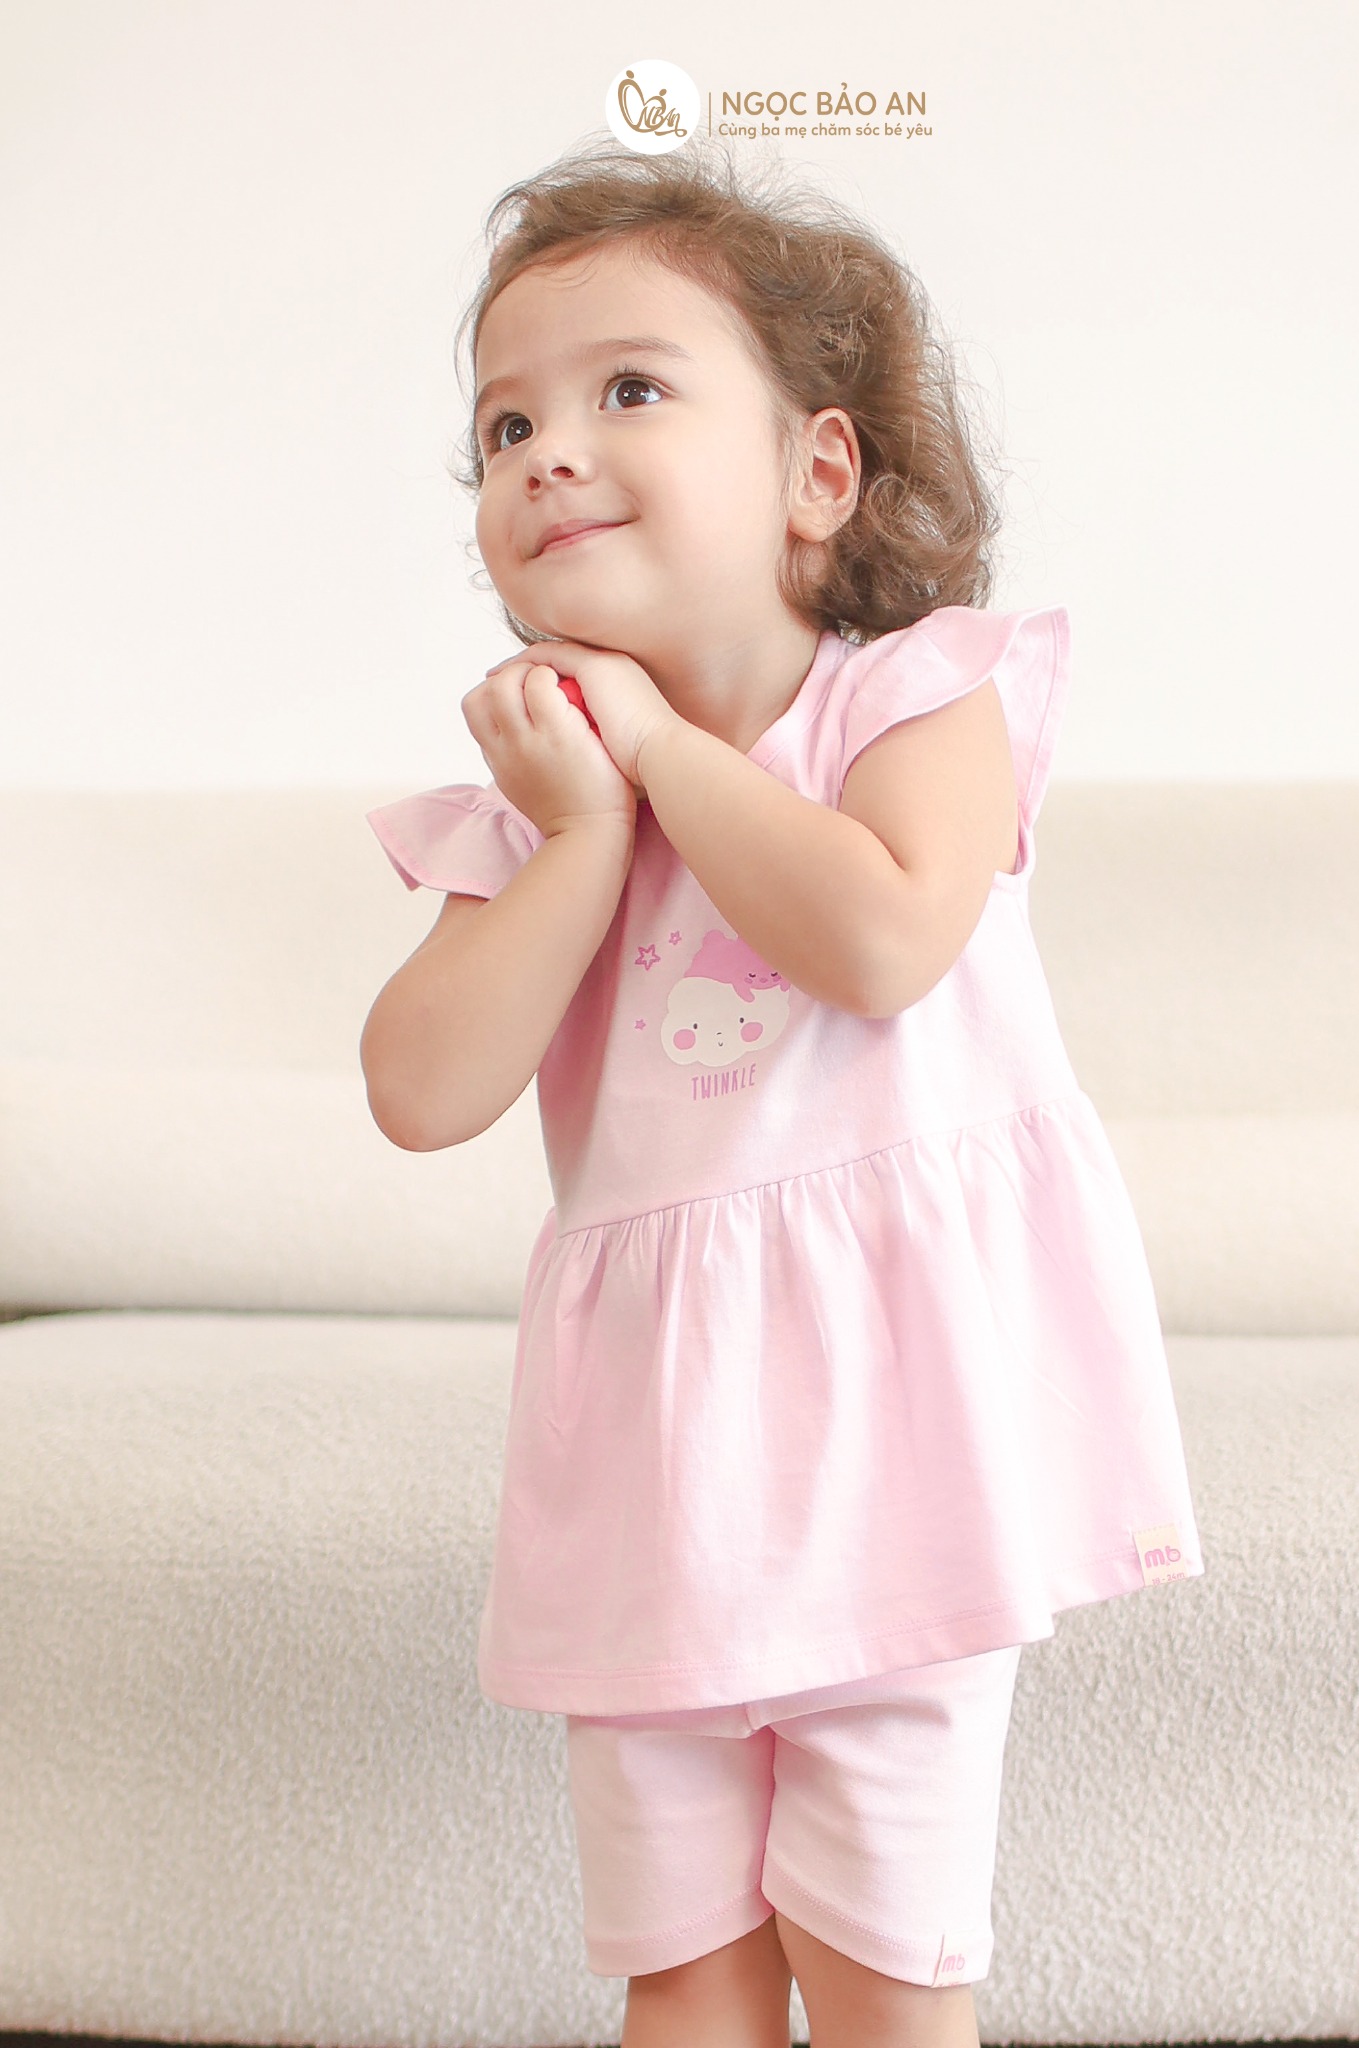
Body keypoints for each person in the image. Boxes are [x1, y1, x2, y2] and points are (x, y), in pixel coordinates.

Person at [360, 132, 1204, 2048]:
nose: (545, 454)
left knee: (886, 1966)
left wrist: (664, 752)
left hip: (894, 1448)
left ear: (818, 474)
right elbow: (418, 1089)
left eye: (627, 391)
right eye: (503, 427)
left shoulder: (911, 698)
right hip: (656, 1474)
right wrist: (587, 824)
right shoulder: (548, 802)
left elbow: (884, 937)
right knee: (682, 1971)